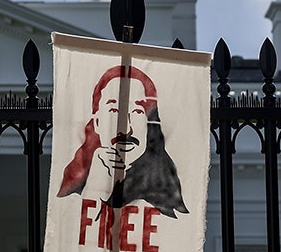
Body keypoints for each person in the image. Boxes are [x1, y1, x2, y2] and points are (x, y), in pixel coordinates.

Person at [56, 64, 188, 217]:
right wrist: (96, 183)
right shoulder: (77, 182)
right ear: (97, 123)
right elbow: (70, 229)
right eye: (114, 110)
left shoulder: (166, 191)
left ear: (149, 124)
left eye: (138, 111)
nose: (126, 129)